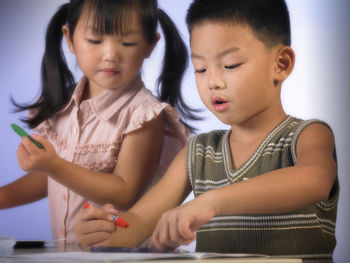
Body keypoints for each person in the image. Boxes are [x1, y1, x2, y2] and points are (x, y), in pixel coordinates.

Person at [74, 0, 338, 262]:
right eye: (200, 69)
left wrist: (211, 202)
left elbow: (315, 180)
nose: (213, 82)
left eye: (231, 65)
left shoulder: (306, 135)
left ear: (281, 64)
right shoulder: (199, 153)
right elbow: (135, 226)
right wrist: (103, 229)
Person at [0, 0, 195, 245]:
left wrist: (53, 166)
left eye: (127, 43)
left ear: (149, 45)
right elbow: (53, 176)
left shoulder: (143, 115)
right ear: (69, 39)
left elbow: (124, 192)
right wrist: (4, 196)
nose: (111, 55)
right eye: (95, 41)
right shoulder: (61, 107)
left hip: (125, 255)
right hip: (71, 255)